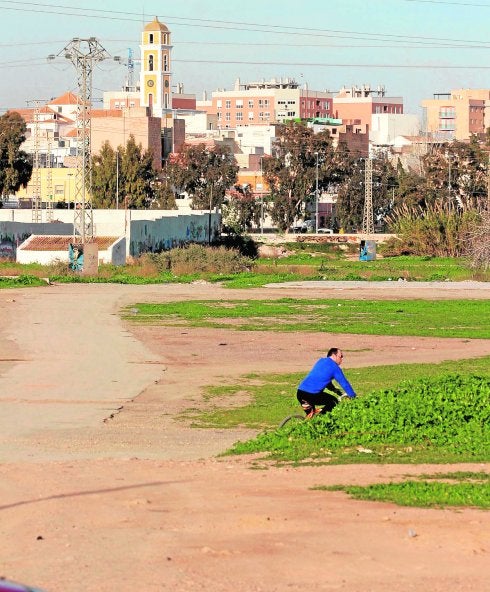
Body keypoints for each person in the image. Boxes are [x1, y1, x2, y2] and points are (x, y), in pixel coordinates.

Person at [297, 347, 356, 418]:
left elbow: (323, 378)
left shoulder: (321, 361)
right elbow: (344, 384)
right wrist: (353, 396)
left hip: (300, 393)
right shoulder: (335, 368)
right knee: (334, 401)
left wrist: (334, 389)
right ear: (334, 356)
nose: (342, 359)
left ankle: (308, 424)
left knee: (310, 416)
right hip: (311, 395)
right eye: (341, 356)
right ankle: (320, 419)